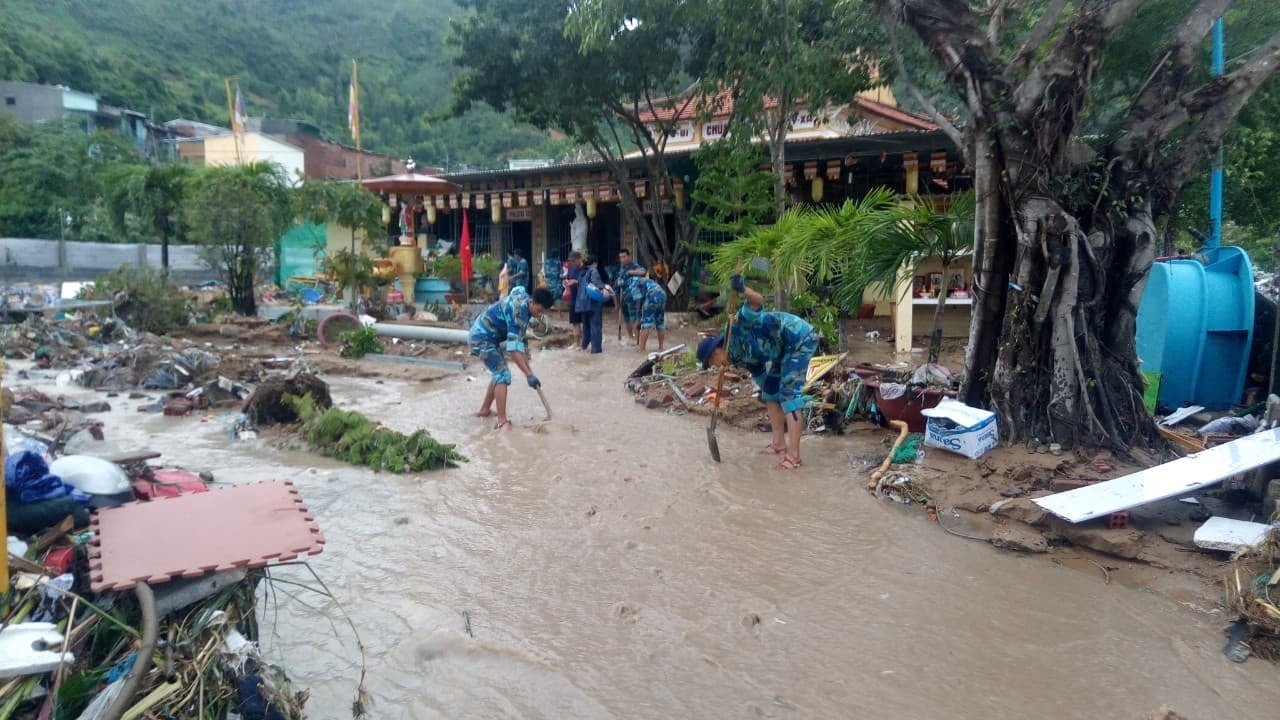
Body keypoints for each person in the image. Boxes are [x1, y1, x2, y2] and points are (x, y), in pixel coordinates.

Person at [696, 274, 819, 470]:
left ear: (716, 350)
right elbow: (757, 368)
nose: (716, 366)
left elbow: (757, 301)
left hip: (798, 338)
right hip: (779, 352)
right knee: (770, 393)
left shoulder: (735, 328)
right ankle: (778, 444)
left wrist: (743, 289)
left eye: (713, 361)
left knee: (789, 394)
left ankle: (794, 456)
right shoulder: (734, 357)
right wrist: (768, 388)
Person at [469, 286, 556, 429]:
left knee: (499, 371)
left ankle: (484, 410)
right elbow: (513, 349)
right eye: (539, 310)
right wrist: (528, 375)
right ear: (532, 301)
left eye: (543, 312)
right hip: (481, 338)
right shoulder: (519, 313)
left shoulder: (524, 298)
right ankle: (502, 421)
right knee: (502, 374)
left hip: (490, 337)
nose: (540, 315)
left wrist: (529, 371)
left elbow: (520, 344)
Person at [574, 254, 608, 353]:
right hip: (593, 302)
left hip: (582, 303)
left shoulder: (581, 272)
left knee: (586, 326)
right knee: (595, 326)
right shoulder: (593, 270)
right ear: (594, 263)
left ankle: (584, 346)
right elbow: (597, 283)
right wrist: (604, 288)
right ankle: (596, 350)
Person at [615, 249, 646, 341]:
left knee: (634, 317)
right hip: (623, 297)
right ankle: (630, 337)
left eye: (624, 257)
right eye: (620, 257)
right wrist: (617, 303)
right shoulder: (620, 269)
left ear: (629, 256)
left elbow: (643, 272)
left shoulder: (634, 266)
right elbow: (616, 287)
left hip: (633, 297)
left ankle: (637, 338)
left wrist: (630, 272)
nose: (622, 259)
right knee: (626, 318)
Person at [636, 277, 667, 353]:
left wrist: (638, 317)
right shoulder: (645, 280)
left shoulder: (632, 284)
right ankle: (661, 347)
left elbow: (638, 301)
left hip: (652, 296)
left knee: (646, 323)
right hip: (663, 295)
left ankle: (642, 349)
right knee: (660, 322)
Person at [562, 252, 584, 347]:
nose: (572, 263)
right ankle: (576, 343)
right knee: (575, 322)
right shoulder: (571, 268)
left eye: (574, 261)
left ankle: (586, 343)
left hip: (584, 299)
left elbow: (589, 283)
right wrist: (566, 283)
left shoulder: (586, 269)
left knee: (586, 322)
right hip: (574, 298)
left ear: (580, 259)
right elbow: (567, 279)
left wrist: (576, 281)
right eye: (571, 261)